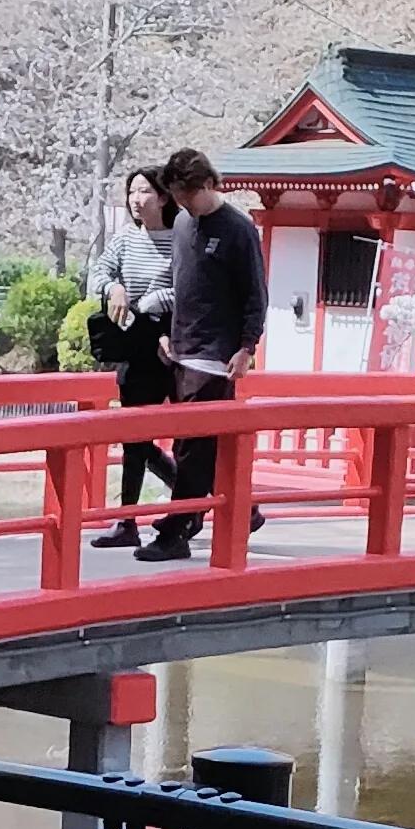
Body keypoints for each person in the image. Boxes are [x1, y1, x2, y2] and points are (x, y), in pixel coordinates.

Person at [136, 146, 269, 563]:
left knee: (193, 448)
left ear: (209, 184)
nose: (183, 203)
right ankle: (239, 512)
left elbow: (256, 293)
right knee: (191, 445)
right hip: (181, 348)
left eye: (188, 195)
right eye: (177, 196)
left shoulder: (238, 229)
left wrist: (247, 346)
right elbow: (177, 283)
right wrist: (164, 332)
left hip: (216, 356)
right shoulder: (181, 224)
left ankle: (177, 529)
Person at [84, 166, 180, 551]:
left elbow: (191, 287)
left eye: (145, 191)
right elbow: (98, 273)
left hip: (173, 347)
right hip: (135, 347)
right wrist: (114, 287)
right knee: (134, 438)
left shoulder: (182, 237)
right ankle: (127, 521)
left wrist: (154, 301)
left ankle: (233, 506)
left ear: (164, 196)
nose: (136, 200)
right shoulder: (126, 238)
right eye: (132, 192)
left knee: (193, 438)